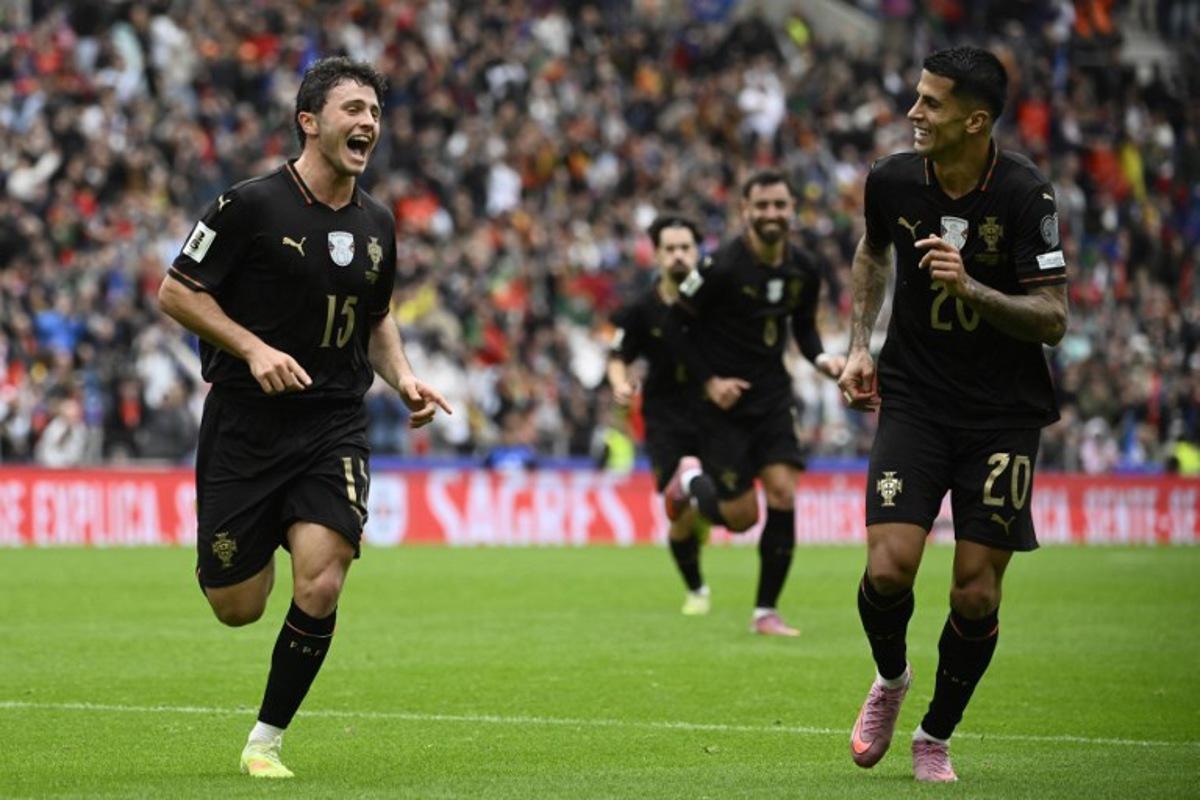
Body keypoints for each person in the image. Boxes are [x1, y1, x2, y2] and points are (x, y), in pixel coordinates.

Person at [157, 57, 451, 779]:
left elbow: (375, 320)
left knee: (323, 581)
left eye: (376, 112)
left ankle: (266, 740)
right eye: (354, 109)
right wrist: (254, 349)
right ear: (310, 121)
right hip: (245, 424)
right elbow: (176, 292)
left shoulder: (378, 223)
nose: (369, 123)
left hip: (331, 422)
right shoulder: (249, 206)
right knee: (238, 605)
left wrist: (405, 376)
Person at [837, 46, 1068, 783]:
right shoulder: (893, 179)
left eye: (930, 103)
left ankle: (935, 734)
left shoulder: (1027, 197)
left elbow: (1053, 318)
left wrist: (973, 290)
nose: (914, 113)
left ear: (975, 120)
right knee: (888, 569)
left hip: (1003, 415)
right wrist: (858, 347)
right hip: (916, 398)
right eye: (916, 97)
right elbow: (873, 253)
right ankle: (893, 679)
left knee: (976, 588)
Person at [662, 171, 845, 636]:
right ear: (745, 210)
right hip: (722, 405)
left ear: (791, 210)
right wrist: (709, 382)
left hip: (773, 396)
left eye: (779, 205)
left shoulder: (803, 268)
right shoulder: (719, 266)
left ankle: (766, 612)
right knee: (741, 518)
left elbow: (803, 329)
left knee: (784, 492)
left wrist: (823, 359)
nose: (770, 214)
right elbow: (674, 326)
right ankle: (689, 482)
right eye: (761, 206)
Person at [607, 214, 712, 615]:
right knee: (683, 514)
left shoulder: (714, 299)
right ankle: (697, 589)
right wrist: (619, 382)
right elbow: (618, 355)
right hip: (665, 418)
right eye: (670, 249)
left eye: (686, 248)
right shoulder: (639, 309)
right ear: (656, 255)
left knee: (711, 502)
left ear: (698, 252)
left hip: (712, 412)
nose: (679, 256)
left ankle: (696, 497)